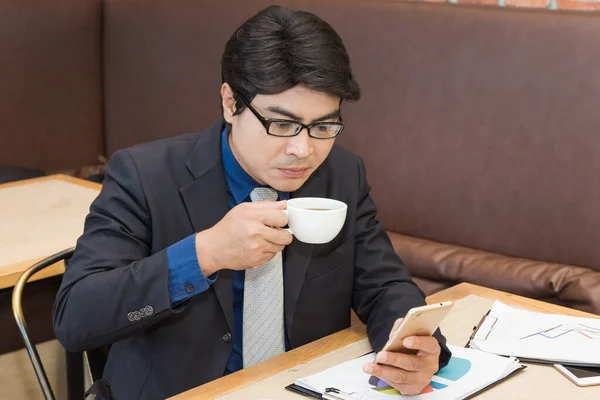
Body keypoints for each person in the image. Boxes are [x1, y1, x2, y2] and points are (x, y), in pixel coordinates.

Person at [53, 5, 450, 399]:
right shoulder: (145, 175)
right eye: (281, 124)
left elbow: (384, 286)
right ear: (230, 103)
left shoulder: (341, 174)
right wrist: (204, 253)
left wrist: (409, 347)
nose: (303, 149)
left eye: (325, 126)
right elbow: (76, 318)